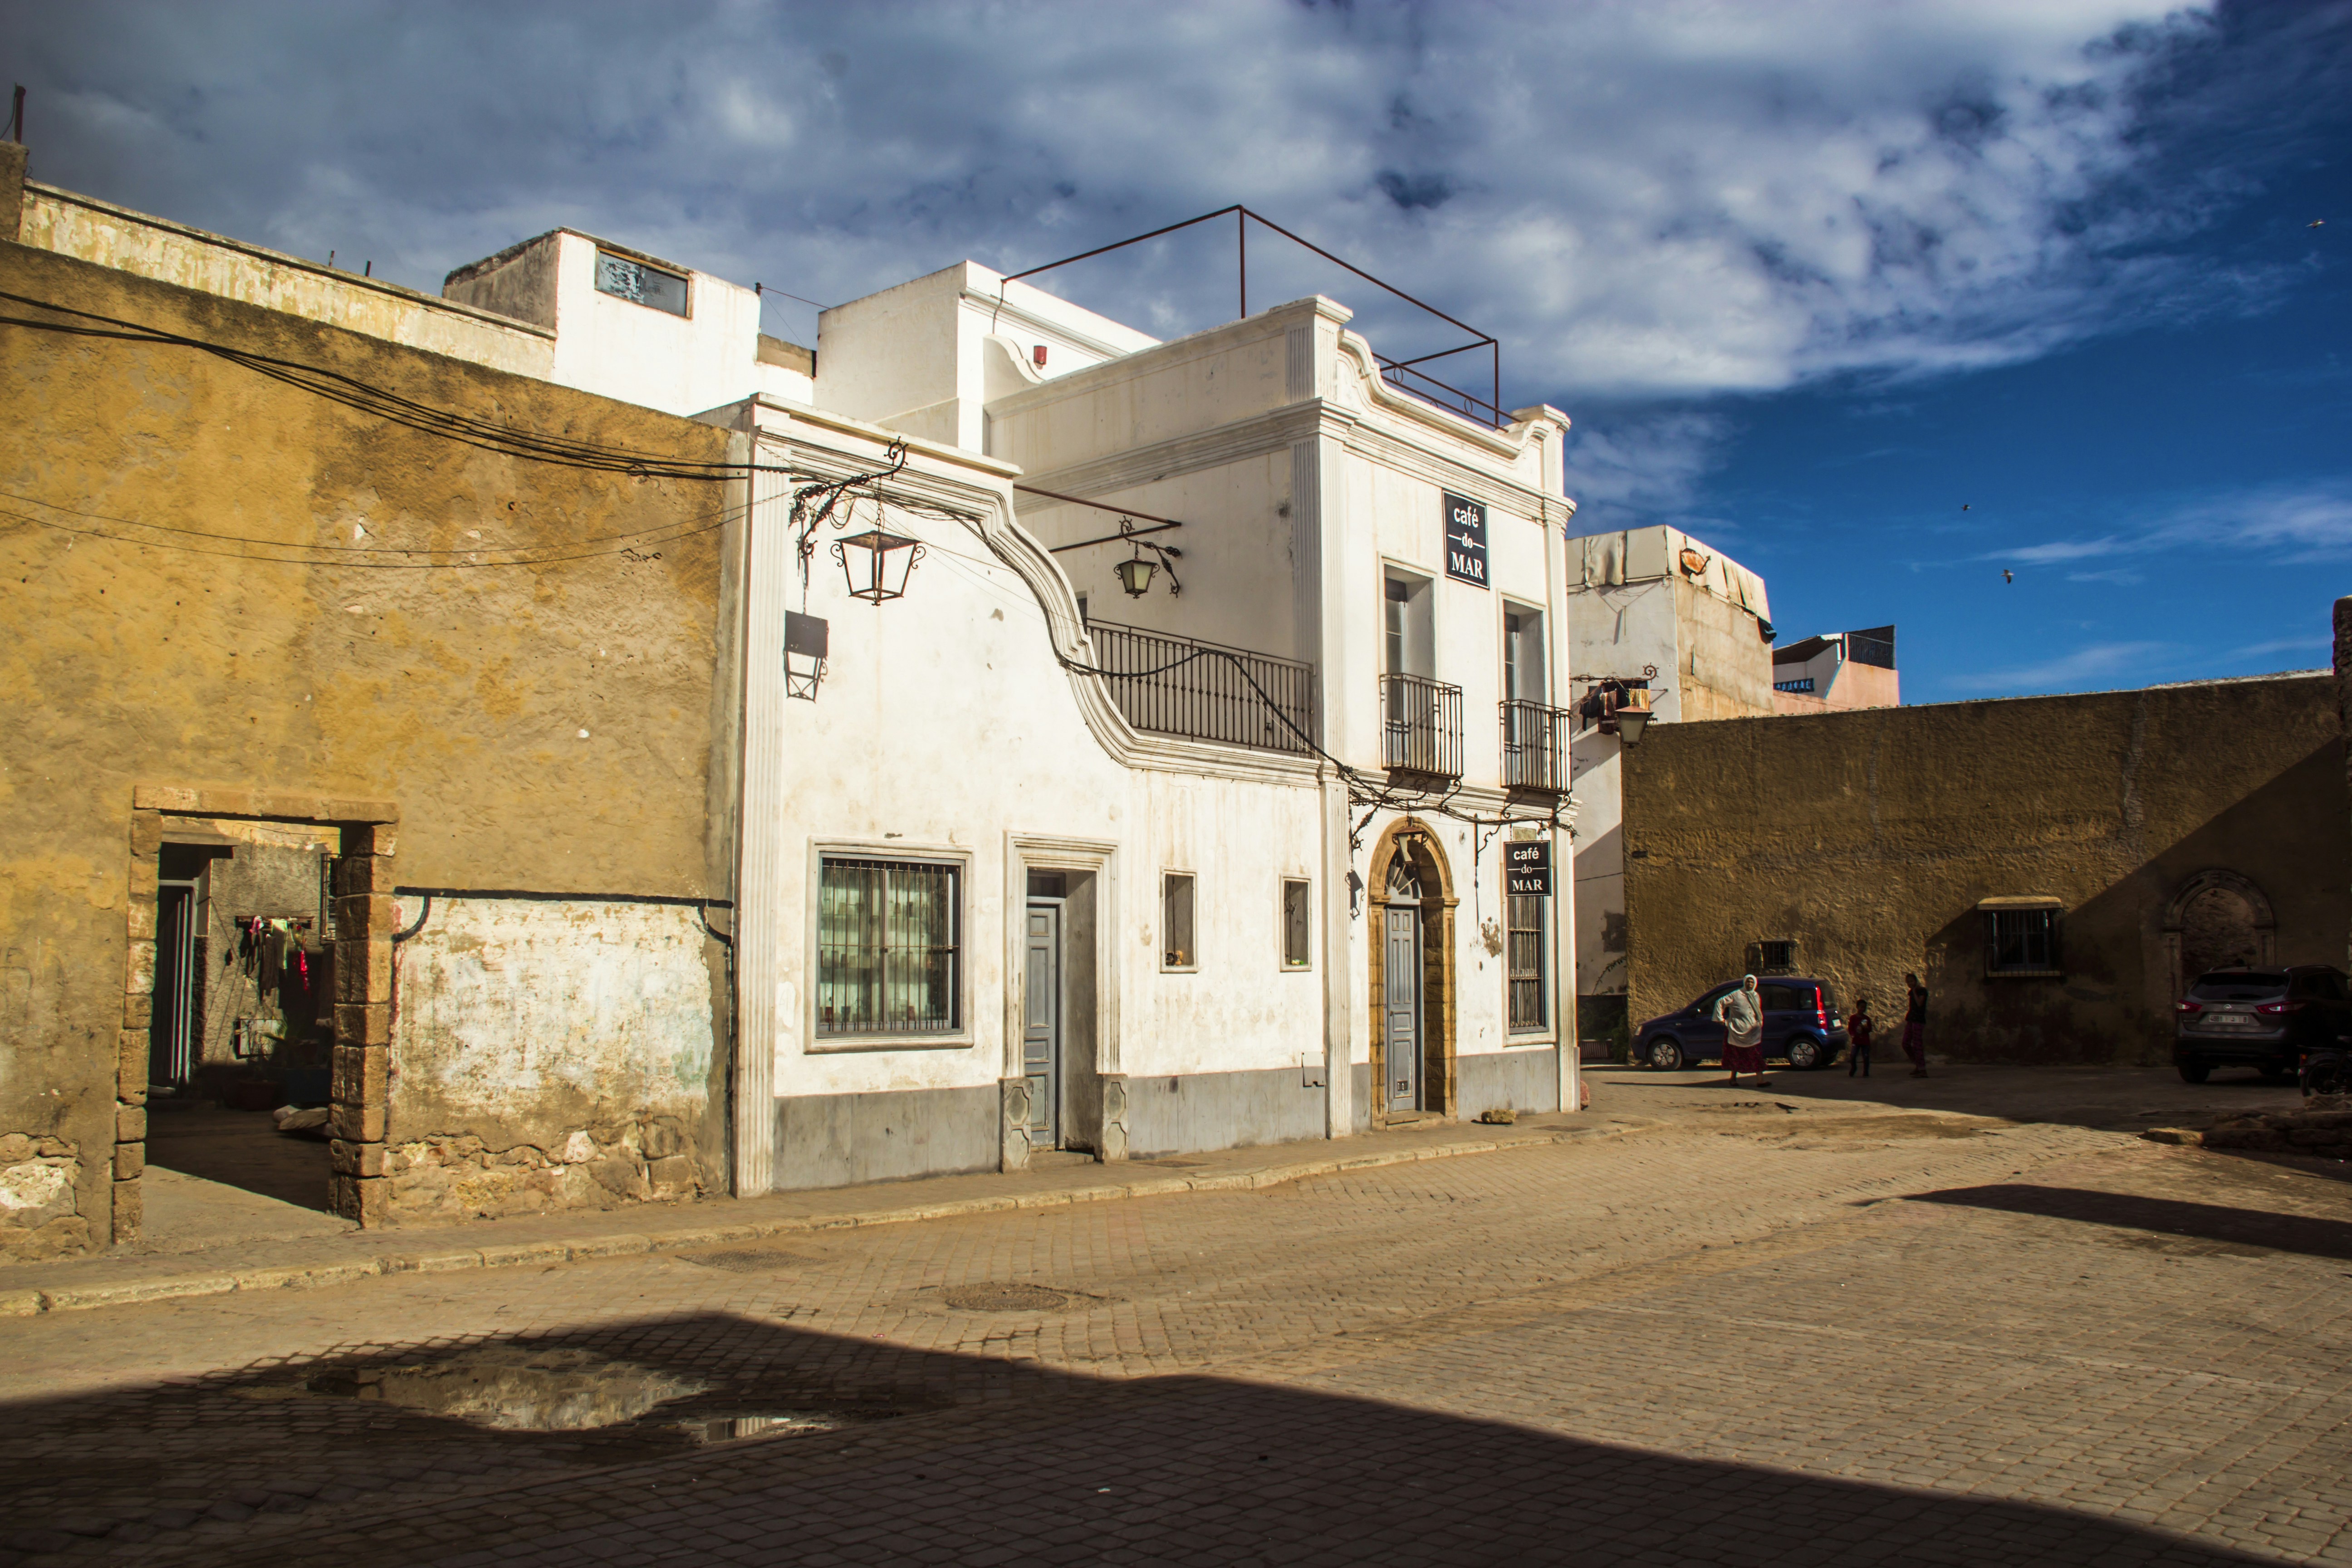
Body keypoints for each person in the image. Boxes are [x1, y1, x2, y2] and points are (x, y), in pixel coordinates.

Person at [1713, 975, 1769, 1088]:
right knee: (1736, 1056)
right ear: (1744, 983)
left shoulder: (1756, 996)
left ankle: (1761, 1080)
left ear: (1755, 984)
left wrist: (1759, 1023)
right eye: (1748, 982)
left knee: (1756, 1056)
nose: (1750, 984)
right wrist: (1721, 1019)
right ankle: (1733, 1079)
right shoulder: (1736, 995)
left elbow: (1757, 1012)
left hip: (1753, 1033)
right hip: (1737, 1032)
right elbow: (1720, 1002)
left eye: (1752, 982)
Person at [1902, 972, 1930, 1077]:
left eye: (1912, 981)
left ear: (1916, 981)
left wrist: (1914, 992)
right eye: (1908, 982)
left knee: (1917, 1044)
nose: (1910, 984)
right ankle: (1917, 1065)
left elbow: (1919, 1004)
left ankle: (1923, 1070)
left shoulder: (1922, 991)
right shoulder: (1911, 993)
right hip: (1911, 1020)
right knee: (1905, 1043)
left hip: (1918, 1020)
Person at [1847, 996, 1873, 1078]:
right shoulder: (1853, 1018)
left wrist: (1866, 1028)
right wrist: (1852, 1034)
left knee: (1866, 1056)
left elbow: (1870, 1029)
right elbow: (1850, 1028)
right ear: (1857, 1007)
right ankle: (1854, 1068)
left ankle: (1866, 1071)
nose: (1863, 1009)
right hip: (1856, 1040)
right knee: (1853, 1055)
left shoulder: (1866, 1019)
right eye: (1861, 1007)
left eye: (1864, 1008)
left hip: (1865, 1041)